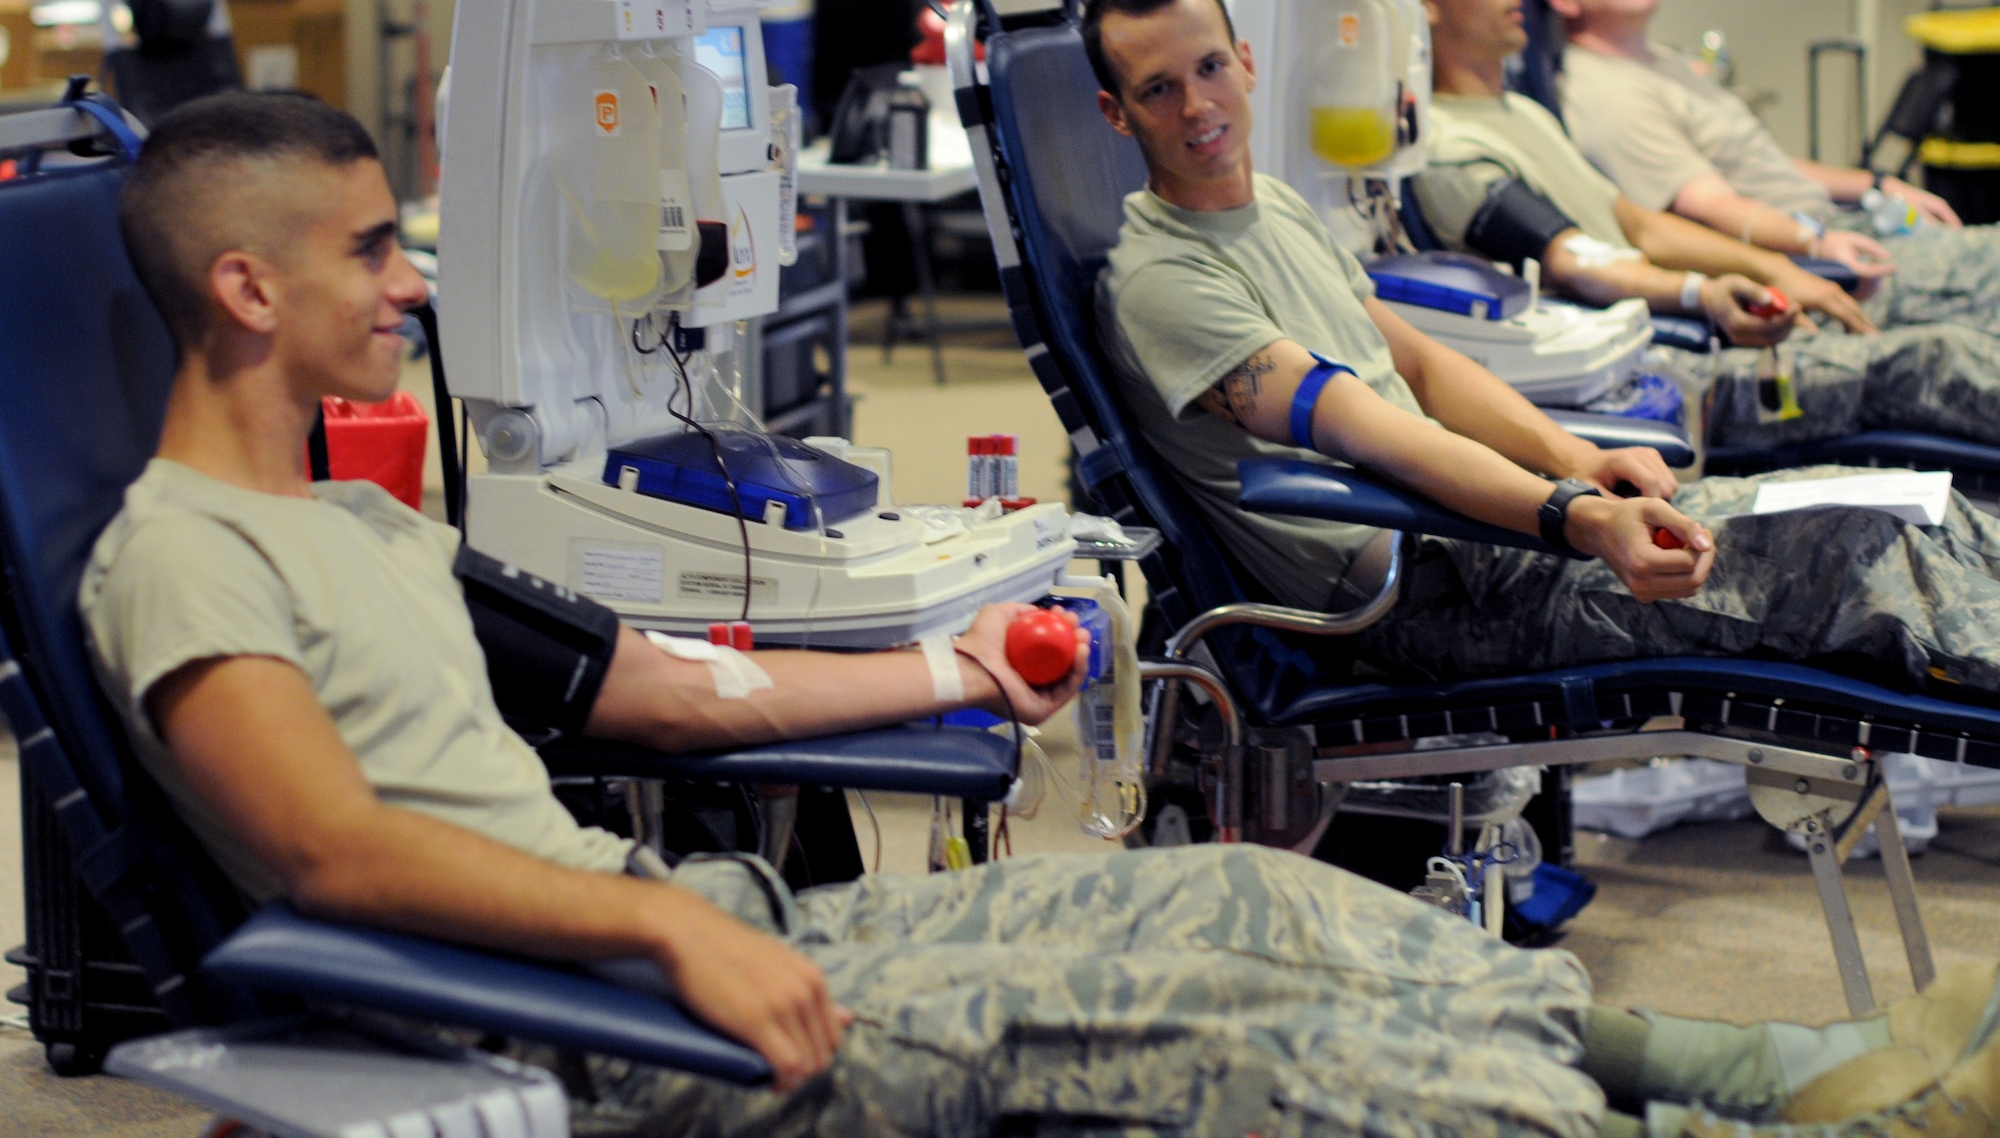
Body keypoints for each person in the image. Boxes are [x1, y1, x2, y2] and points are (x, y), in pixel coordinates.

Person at [77, 93, 1997, 1138]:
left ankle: (1740, 1066)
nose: (410, 280)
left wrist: (945, 664)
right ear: (244, 286)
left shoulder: (359, 513)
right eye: (369, 251)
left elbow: (645, 689)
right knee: (1225, 1034)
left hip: (703, 942)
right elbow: (326, 849)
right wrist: (661, 919)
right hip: (588, 1023)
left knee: (1272, 904)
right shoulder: (179, 553)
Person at [1405, 0, 2000, 454]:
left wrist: (1779, 269)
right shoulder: (1450, 149)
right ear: (1425, 3)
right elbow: (1577, 262)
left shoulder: (1522, 114)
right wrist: (1705, 291)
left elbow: (1638, 224)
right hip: (1667, 365)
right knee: (1941, 357)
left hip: (1692, 330)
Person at [1534, 0, 2000, 335]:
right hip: (1815, 258)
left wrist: (1875, 184)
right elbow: (1708, 207)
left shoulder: (1662, 62)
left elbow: (1763, 161)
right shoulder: (1608, 94)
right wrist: (1816, 245)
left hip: (1837, 224)